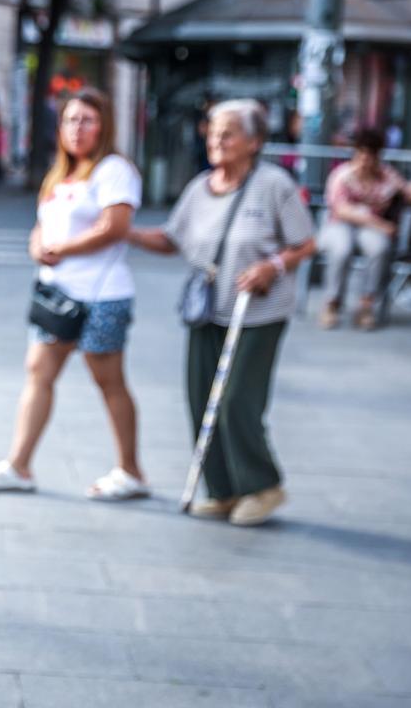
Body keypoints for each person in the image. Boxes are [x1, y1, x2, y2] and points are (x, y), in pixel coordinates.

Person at [129, 99, 316, 526]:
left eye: (228, 133)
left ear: (254, 141)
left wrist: (273, 266)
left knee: (236, 403)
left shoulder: (274, 185)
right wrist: (126, 233)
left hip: (258, 313)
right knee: (200, 400)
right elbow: (172, 239)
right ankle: (223, 489)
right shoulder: (200, 187)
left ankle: (262, 485)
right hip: (207, 310)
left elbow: (305, 243)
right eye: (212, 131)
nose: (217, 139)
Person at [0, 88, 148, 500]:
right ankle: (19, 465)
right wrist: (38, 244)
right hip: (57, 294)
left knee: (108, 380)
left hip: (101, 295)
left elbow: (115, 226)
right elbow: (45, 224)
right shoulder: (61, 174)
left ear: (104, 125)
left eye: (88, 119)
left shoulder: (113, 170)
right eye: (71, 119)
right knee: (39, 372)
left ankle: (131, 471)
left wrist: (62, 250)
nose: (78, 128)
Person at [317, 127, 411, 331]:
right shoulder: (342, 175)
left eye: (371, 154)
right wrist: (381, 225)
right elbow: (342, 210)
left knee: (380, 248)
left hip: (371, 228)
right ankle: (332, 303)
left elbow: (409, 192)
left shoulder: (386, 175)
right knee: (341, 249)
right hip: (340, 224)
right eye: (362, 153)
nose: (365, 159)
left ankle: (367, 305)